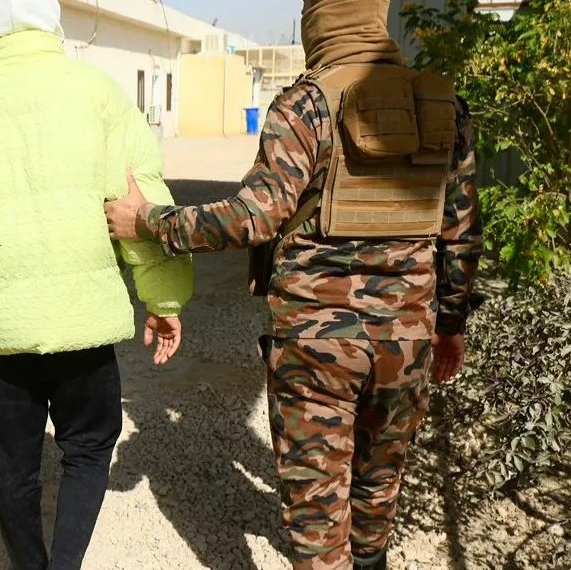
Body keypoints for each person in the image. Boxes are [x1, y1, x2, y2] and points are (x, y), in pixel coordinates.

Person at [105, 1, 484, 568]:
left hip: (315, 345)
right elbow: (463, 233)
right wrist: (449, 325)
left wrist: (150, 222)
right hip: (407, 339)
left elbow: (253, 217)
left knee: (316, 516)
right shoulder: (443, 106)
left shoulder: (305, 104)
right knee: (377, 492)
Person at [0, 1, 194, 568]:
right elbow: (138, 197)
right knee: (88, 450)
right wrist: (163, 298)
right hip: (86, 325)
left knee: (14, 468)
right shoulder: (96, 92)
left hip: (4, 334)